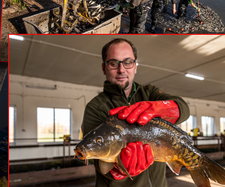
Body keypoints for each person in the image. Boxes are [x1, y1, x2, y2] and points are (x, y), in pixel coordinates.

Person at [81, 38, 190, 187]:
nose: (121, 70)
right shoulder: (96, 107)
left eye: (128, 62)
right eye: (113, 63)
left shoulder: (150, 93)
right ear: (104, 68)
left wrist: (166, 108)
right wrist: (119, 171)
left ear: (135, 66)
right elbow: (100, 166)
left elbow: (183, 107)